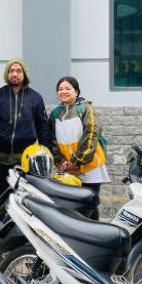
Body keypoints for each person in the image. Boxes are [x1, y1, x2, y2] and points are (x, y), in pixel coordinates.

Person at [0, 58, 51, 221]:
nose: (14, 74)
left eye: (18, 71)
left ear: (24, 73)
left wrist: (45, 154)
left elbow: (43, 127)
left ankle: (21, 234)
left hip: (25, 161)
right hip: (0, 160)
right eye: (11, 71)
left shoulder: (35, 98)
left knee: (24, 199)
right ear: (7, 74)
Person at [49, 76, 110, 219]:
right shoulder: (55, 114)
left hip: (91, 166)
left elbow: (91, 133)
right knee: (75, 206)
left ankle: (94, 231)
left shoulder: (86, 108)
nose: (63, 91)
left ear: (76, 92)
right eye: (60, 89)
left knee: (89, 203)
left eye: (68, 88)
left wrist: (76, 161)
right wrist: (61, 162)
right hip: (69, 168)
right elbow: (52, 141)